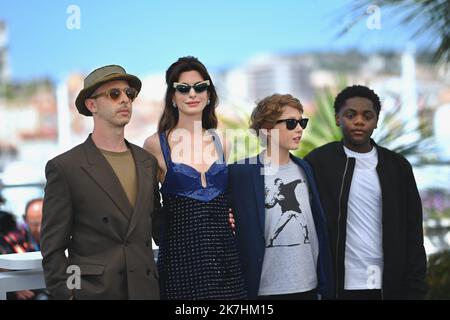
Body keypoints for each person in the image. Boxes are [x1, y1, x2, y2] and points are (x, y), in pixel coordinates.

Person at [41, 65, 161, 300]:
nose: (125, 100)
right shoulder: (66, 168)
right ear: (91, 105)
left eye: (130, 94)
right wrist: (69, 295)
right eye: (114, 94)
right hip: (95, 293)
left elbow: (157, 224)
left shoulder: (147, 162)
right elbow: (53, 248)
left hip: (145, 290)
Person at [304, 85, 427, 300]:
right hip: (337, 285)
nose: (359, 121)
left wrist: (415, 288)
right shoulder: (318, 162)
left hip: (388, 284)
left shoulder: (397, 166)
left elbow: (413, 230)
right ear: (337, 118)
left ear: (377, 121)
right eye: (350, 115)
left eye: (367, 115)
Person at [143, 56, 246, 300]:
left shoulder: (224, 141)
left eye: (200, 87)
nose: (193, 94)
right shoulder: (155, 145)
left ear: (209, 95)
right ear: (172, 97)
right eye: (183, 88)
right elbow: (149, 207)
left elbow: (231, 198)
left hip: (226, 260)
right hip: (180, 264)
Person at [228, 94, 334, 300]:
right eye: (291, 123)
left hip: (308, 286)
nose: (300, 129)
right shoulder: (241, 172)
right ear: (267, 129)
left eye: (302, 122)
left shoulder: (306, 169)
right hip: (264, 289)